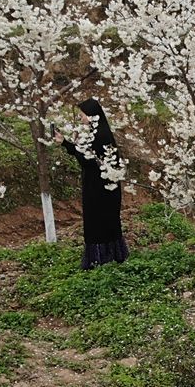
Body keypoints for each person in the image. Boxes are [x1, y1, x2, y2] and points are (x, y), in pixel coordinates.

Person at [56, 99, 128, 270]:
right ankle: (111, 256)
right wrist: (65, 142)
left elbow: (88, 160)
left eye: (82, 115)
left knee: (98, 223)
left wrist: (70, 145)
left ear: (91, 116)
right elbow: (85, 154)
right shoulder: (96, 132)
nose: (80, 118)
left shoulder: (100, 135)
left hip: (101, 190)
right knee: (106, 222)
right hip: (100, 186)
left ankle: (100, 259)